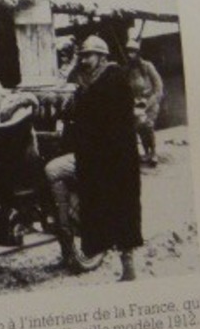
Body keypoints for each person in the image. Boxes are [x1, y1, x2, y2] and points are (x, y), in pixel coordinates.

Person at [44, 34, 142, 280]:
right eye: (82, 55)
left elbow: (112, 125)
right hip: (95, 158)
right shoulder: (87, 81)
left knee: (121, 210)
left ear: (102, 57)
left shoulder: (114, 80)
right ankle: (71, 243)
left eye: (89, 55)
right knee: (54, 171)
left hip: (114, 161)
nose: (84, 60)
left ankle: (127, 268)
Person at [124, 38, 164, 166]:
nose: (130, 55)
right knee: (140, 128)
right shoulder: (127, 70)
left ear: (138, 53)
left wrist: (147, 105)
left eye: (133, 52)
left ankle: (154, 153)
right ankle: (146, 152)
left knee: (148, 126)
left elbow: (158, 88)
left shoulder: (147, 66)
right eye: (128, 52)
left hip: (150, 103)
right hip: (136, 105)